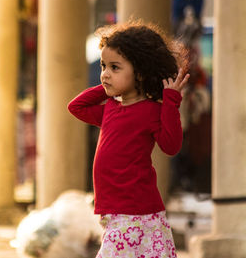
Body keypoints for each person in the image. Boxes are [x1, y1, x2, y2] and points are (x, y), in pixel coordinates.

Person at [68, 20, 189, 258]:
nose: (104, 74)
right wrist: (108, 86)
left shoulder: (152, 111)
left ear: (140, 72)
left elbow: (171, 146)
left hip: (137, 212)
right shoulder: (110, 109)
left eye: (115, 67)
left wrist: (171, 102)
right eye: (104, 66)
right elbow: (76, 107)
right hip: (113, 211)